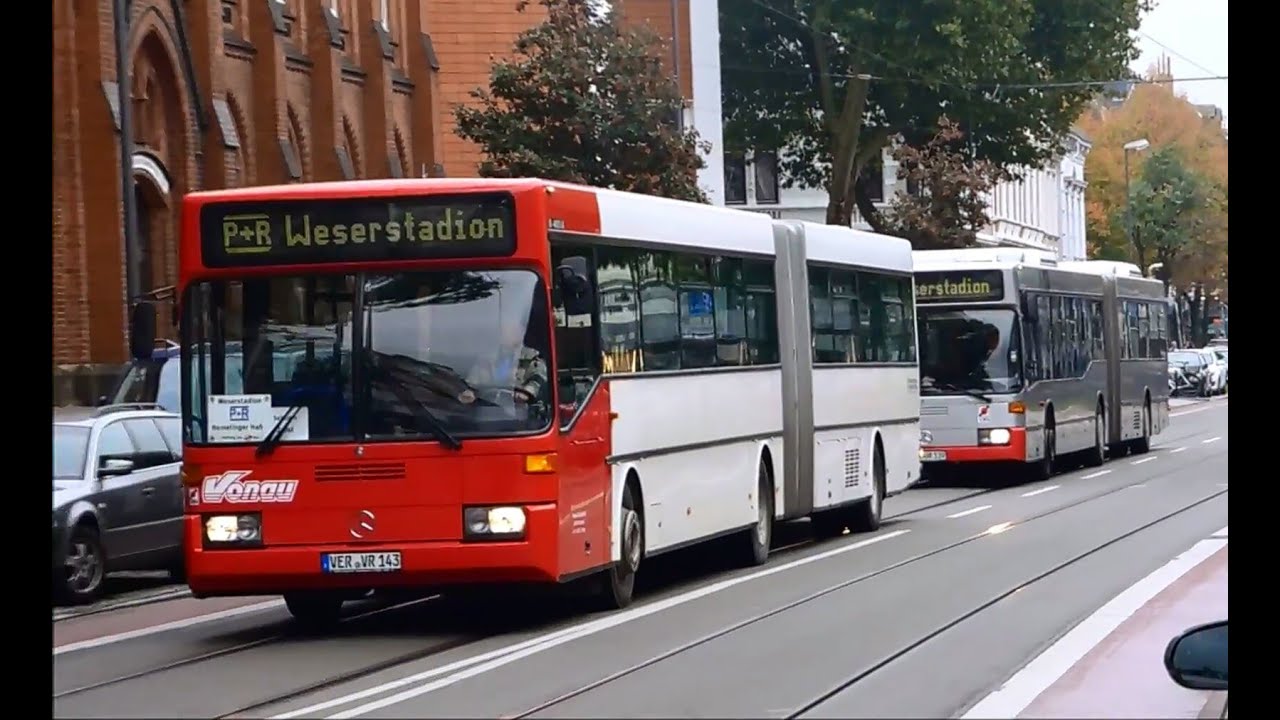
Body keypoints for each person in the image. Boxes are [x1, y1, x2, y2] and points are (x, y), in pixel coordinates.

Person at [462, 314, 549, 406]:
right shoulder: (486, 357)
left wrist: (527, 392)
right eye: (503, 330)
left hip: (520, 412)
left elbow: (538, 379)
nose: (505, 333)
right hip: (488, 409)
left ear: (521, 332)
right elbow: (472, 383)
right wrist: (469, 392)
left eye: (511, 330)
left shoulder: (531, 357)